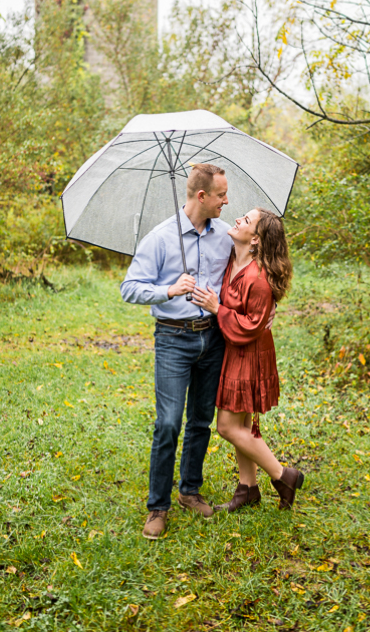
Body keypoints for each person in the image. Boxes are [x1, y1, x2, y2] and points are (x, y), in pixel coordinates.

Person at [120, 163, 234, 540]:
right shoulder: (160, 238)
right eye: (220, 195)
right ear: (201, 196)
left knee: (200, 420)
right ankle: (157, 507)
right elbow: (130, 288)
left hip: (212, 338)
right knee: (168, 423)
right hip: (173, 339)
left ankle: (189, 491)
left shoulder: (224, 236)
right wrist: (168, 290)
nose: (226, 201)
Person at [192, 208, 305, 511]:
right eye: (242, 215)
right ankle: (248, 488)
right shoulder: (235, 259)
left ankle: (284, 475)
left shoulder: (258, 278)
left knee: (228, 427)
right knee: (243, 425)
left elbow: (252, 326)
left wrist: (218, 310)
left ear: (255, 239)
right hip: (239, 351)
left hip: (249, 353)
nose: (238, 219)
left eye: (246, 220)